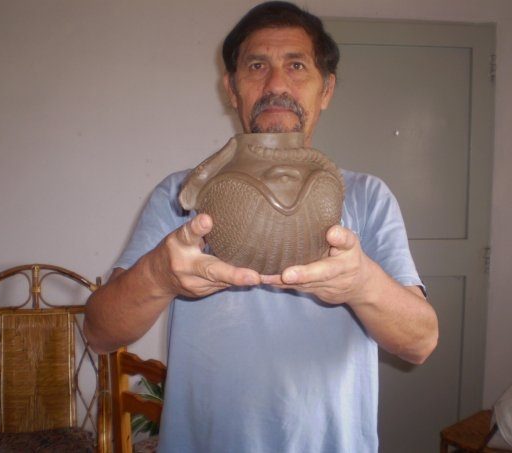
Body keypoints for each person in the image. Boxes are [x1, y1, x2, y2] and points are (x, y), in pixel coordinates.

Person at [85, 2, 439, 452]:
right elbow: (99, 333)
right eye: (256, 66)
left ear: (326, 89)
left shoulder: (367, 197)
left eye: (296, 65)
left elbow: (421, 342)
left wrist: (361, 283)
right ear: (231, 89)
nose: (276, 85)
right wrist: (159, 274)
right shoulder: (179, 196)